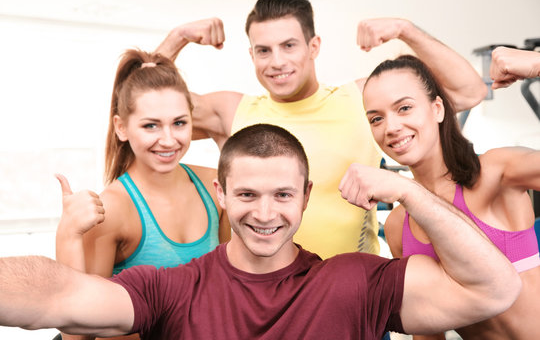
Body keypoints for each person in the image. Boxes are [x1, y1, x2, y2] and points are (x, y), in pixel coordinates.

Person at [0, 124, 521, 339]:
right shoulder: (173, 288)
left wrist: (410, 193)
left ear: (305, 195)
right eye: (247, 195)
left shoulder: (356, 282)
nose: (265, 213)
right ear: (221, 196)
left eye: (282, 195)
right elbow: (58, 294)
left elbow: (493, 288)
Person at [153, 0, 488, 258]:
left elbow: (468, 90)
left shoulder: (361, 98)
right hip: (261, 300)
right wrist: (177, 37)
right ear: (252, 56)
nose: (277, 62)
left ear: (313, 47)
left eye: (288, 46)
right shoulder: (231, 110)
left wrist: (406, 30)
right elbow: (143, 108)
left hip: (353, 298)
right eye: (264, 51)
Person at [356, 54, 540, 339]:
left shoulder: (497, 173)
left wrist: (536, 64)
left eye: (404, 108)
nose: (390, 127)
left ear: (438, 109)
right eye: (376, 118)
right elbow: (428, 329)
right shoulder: (397, 225)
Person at [54, 49, 230, 340]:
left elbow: (227, 286)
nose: (169, 139)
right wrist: (67, 235)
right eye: (151, 125)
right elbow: (79, 336)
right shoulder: (112, 209)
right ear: (121, 128)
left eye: (179, 123)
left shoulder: (214, 184)